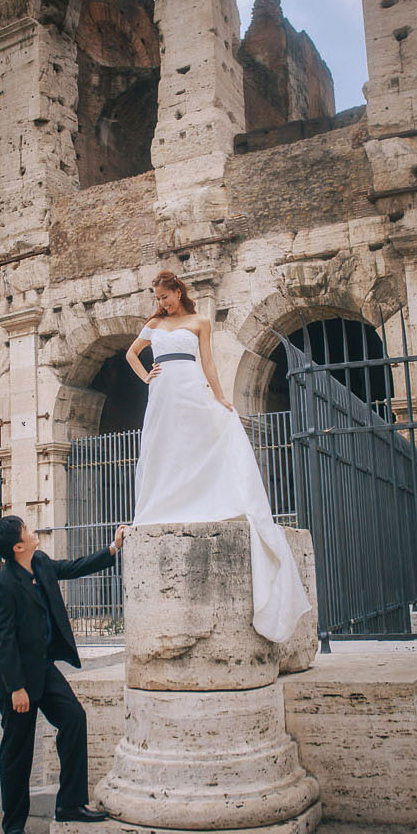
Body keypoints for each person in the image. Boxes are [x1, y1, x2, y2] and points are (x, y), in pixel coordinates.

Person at [124, 270, 310, 642]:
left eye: (166, 297)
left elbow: (207, 362)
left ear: (178, 291)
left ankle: (208, 492)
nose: (162, 303)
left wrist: (222, 395)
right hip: (163, 390)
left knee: (206, 433)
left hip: (192, 385)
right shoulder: (154, 323)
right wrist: (147, 377)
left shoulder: (199, 321)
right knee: (164, 444)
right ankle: (166, 498)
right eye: (158, 299)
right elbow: (131, 353)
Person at [0, 515, 127, 834]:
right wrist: (17, 688)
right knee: (17, 751)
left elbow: (72, 567)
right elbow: (3, 641)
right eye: (28, 531)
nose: (35, 532)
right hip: (16, 678)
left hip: (44, 669)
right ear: (17, 546)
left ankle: (70, 804)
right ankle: (14, 823)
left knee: (74, 719)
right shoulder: (3, 585)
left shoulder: (40, 562)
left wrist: (113, 548)